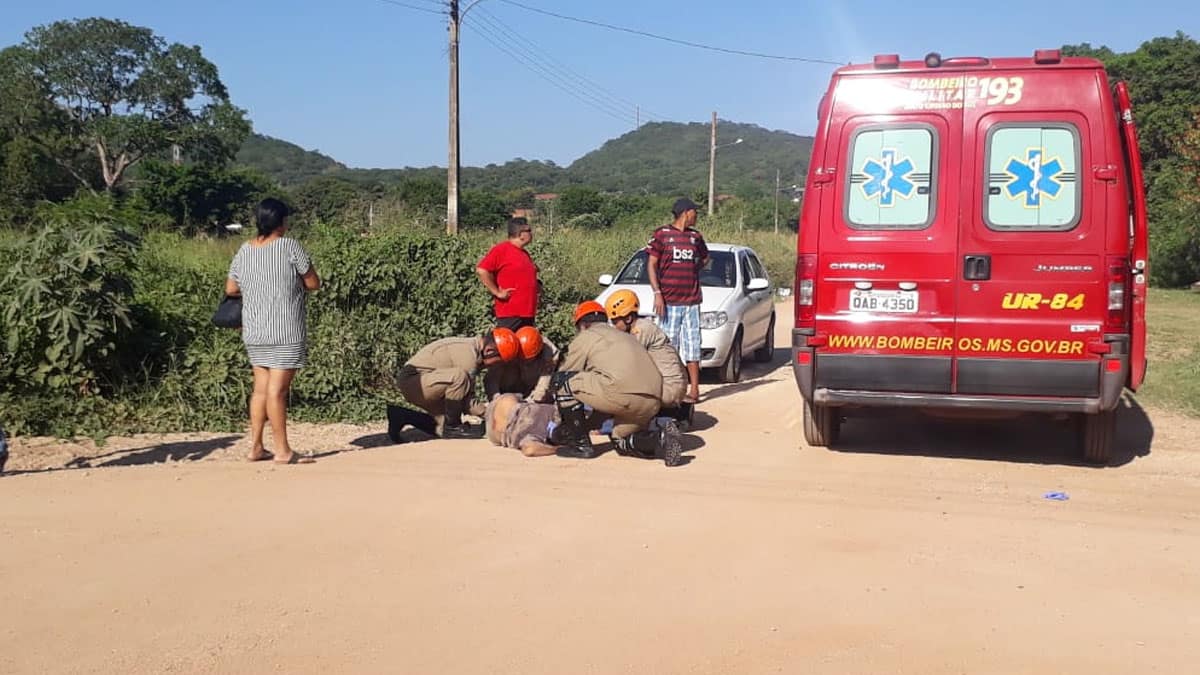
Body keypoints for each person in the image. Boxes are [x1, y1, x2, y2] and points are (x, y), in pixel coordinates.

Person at [225, 198, 321, 465]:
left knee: (260, 390)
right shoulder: (290, 246)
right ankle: (283, 450)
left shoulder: (244, 250)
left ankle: (255, 446)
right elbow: (313, 283)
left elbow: (231, 289)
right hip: (285, 329)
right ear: (281, 221)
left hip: (254, 329)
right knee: (277, 392)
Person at [549, 301, 684, 467]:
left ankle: (580, 445)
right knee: (620, 441)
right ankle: (660, 439)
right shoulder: (626, 336)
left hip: (620, 394)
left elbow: (566, 375)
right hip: (652, 401)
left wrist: (562, 423)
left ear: (583, 325)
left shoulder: (585, 337)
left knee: (561, 381)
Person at [387, 328, 520, 441]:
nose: (495, 366)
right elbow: (467, 400)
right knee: (459, 377)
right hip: (414, 382)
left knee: (440, 429)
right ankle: (453, 426)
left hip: (427, 382)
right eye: (498, 362)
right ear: (489, 351)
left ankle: (400, 415)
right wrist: (492, 413)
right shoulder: (469, 356)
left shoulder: (476, 350)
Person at [647, 197, 709, 405]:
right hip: (669, 302)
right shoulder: (662, 235)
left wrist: (692, 271)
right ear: (686, 212)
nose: (696, 216)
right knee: (667, 346)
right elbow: (651, 264)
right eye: (695, 212)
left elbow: (705, 259)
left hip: (691, 301)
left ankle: (694, 390)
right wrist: (657, 293)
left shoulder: (695, 237)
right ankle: (668, 388)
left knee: (693, 346)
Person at [604, 290, 693, 426]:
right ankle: (675, 412)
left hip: (670, 389)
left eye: (615, 321)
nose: (613, 325)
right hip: (672, 385)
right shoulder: (643, 327)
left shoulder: (641, 331)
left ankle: (660, 423)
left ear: (628, 319)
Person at [476, 217, 539, 331]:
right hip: (510, 313)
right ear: (521, 234)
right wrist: (497, 292)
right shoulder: (501, 250)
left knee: (526, 347)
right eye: (529, 230)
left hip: (527, 312)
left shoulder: (524, 253)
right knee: (506, 346)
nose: (531, 233)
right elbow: (482, 270)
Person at [484, 325, 560, 403]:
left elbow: (543, 385)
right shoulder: (510, 345)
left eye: (527, 359)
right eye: (520, 357)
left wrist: (529, 403)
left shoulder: (549, 354)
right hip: (512, 389)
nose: (523, 361)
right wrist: (496, 398)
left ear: (537, 353)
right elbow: (492, 378)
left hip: (533, 385)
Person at [484, 393, 560, 457]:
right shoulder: (538, 424)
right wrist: (558, 449)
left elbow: (530, 448)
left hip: (504, 411)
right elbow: (530, 449)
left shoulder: (538, 425)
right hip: (505, 414)